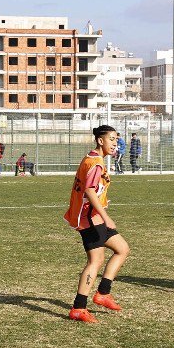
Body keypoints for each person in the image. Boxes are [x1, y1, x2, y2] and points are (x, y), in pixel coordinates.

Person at [63, 125, 131, 323]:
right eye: (111, 139)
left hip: (94, 217)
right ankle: (79, 307)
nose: (115, 143)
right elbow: (90, 192)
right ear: (100, 141)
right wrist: (105, 216)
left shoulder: (92, 158)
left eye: (116, 139)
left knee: (122, 249)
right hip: (90, 219)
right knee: (95, 261)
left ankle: (103, 293)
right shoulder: (96, 164)